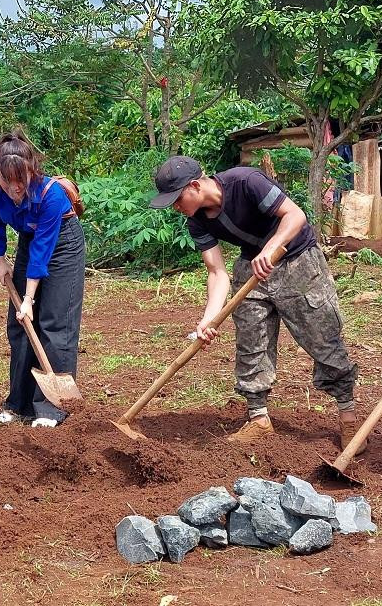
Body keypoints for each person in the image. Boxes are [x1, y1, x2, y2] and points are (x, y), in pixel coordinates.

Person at [150, 156, 363, 450]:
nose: (175, 206)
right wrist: (209, 319)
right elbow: (217, 271)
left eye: (176, 198)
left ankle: (348, 418)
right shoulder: (196, 221)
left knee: (323, 340)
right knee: (251, 343)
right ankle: (258, 418)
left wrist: (272, 247)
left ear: (195, 186)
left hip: (297, 261)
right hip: (252, 267)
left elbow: (295, 215)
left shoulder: (246, 181)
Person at [0, 130, 86, 428]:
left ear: (32, 170)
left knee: (54, 322)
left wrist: (28, 299)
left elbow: (43, 251)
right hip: (29, 239)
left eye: (21, 180)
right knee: (20, 325)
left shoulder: (51, 195)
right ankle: (19, 404)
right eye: (7, 180)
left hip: (63, 244)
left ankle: (51, 409)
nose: (15, 189)